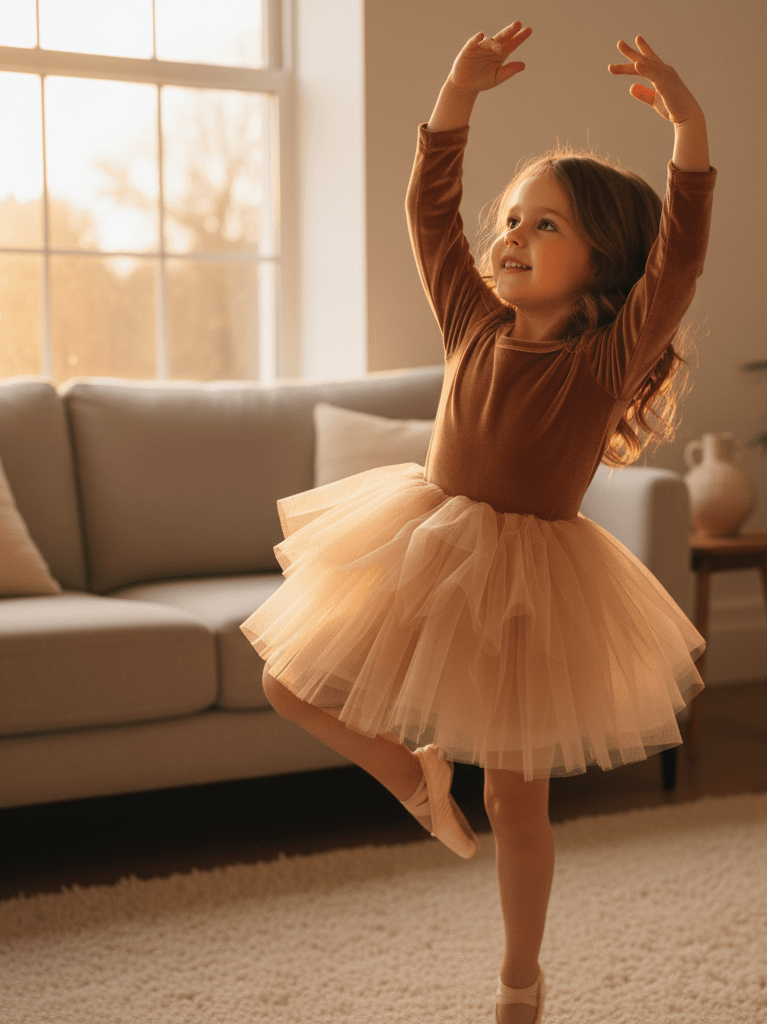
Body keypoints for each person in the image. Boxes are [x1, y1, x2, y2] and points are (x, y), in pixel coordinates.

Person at [242, 21, 715, 1024]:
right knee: (287, 678)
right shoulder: (472, 320)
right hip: (427, 541)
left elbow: (678, 264)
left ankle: (518, 976)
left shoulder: (603, 358)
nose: (511, 234)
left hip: (534, 586)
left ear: (602, 263)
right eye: (512, 216)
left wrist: (690, 130)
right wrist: (454, 96)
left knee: (514, 803)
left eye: (545, 225)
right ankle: (413, 779)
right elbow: (428, 210)